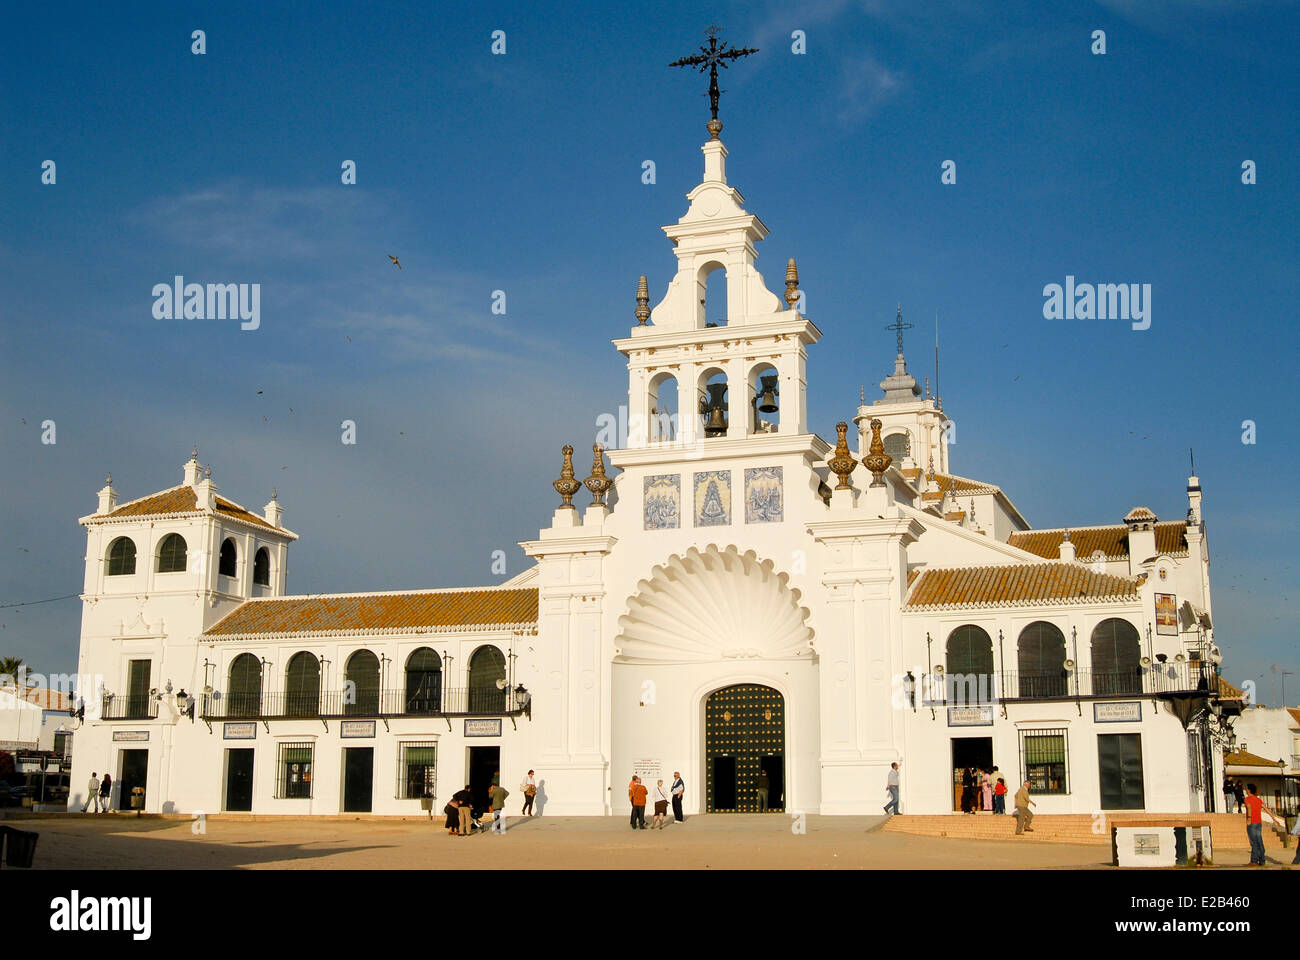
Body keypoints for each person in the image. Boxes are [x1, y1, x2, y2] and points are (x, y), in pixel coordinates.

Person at [1242, 783, 1276, 866]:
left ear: (1249, 790)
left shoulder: (1247, 799)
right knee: (1259, 841)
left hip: (1252, 822)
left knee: (1254, 842)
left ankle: (1254, 860)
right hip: (1258, 823)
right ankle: (1262, 860)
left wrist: (1249, 818)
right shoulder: (1258, 800)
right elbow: (1266, 809)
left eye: (1247, 789)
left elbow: (1249, 807)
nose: (1246, 790)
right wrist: (1273, 818)